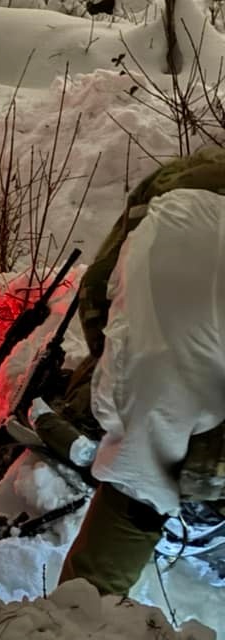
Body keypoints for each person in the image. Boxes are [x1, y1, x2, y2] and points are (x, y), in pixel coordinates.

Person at [55, 187, 225, 596]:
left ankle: (78, 611)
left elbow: (97, 285)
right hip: (174, 253)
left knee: (143, 460)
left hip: (160, 241)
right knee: (153, 464)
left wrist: (113, 365)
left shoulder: (188, 173)